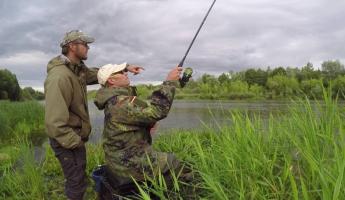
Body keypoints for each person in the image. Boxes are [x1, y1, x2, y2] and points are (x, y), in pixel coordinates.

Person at [44, 30, 143, 200]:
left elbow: (100, 75)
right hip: (67, 140)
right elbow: (54, 123)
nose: (88, 47)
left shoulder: (77, 70)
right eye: (84, 44)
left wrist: (125, 67)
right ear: (72, 46)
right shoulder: (59, 77)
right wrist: (76, 142)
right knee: (76, 183)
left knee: (79, 178)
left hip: (74, 138)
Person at [94, 63, 192, 197]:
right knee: (176, 164)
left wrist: (148, 123)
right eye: (122, 73)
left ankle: (162, 191)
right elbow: (157, 110)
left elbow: (148, 107)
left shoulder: (121, 99)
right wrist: (169, 82)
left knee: (165, 163)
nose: (126, 73)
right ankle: (182, 194)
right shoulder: (120, 102)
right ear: (111, 80)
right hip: (127, 163)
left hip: (121, 158)